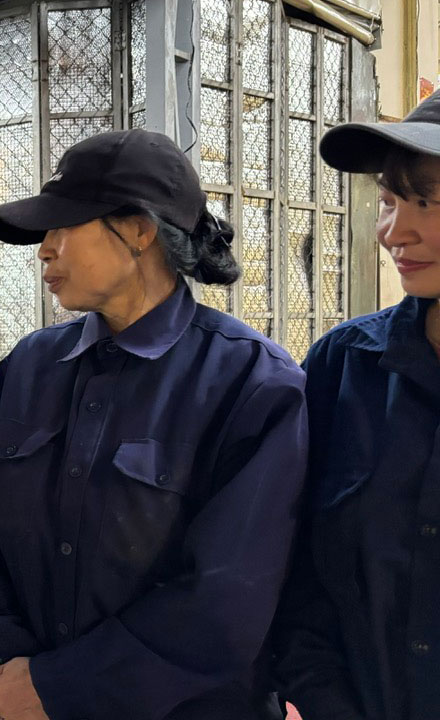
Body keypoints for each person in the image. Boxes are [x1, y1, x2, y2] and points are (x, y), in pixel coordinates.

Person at [0, 129, 309, 720]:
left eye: (64, 226)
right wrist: (15, 664)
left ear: (140, 231)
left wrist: (61, 685)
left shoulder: (253, 384)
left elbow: (226, 600)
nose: (45, 248)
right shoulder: (28, 368)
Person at [271, 93, 440, 720]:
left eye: (426, 200)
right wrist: (323, 698)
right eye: (392, 201)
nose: (395, 232)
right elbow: (299, 573)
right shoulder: (344, 365)